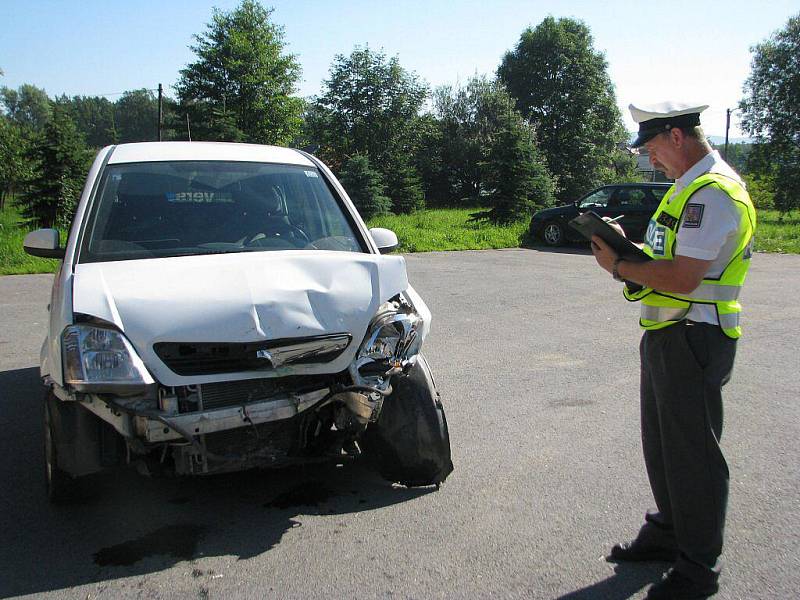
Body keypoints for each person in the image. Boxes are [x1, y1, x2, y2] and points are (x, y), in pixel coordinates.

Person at [590, 102, 756, 600]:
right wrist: (624, 244)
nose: (649, 159)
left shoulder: (713, 193)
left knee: (693, 455)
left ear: (678, 136)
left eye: (652, 148)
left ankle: (698, 568)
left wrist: (619, 267)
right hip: (669, 333)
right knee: (664, 448)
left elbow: (684, 277)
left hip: (693, 334)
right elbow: (670, 257)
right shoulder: (688, 191)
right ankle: (668, 534)